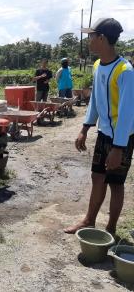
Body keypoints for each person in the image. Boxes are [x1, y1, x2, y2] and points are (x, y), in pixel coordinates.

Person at [64, 18, 134, 235]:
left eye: (91, 36)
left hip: (122, 138)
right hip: (104, 133)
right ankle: (89, 220)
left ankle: (111, 229)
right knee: (97, 177)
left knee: (115, 182)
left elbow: (126, 114)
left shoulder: (125, 71)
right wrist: (85, 128)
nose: (89, 41)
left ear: (102, 38)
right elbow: (95, 100)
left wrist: (118, 148)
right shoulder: (97, 66)